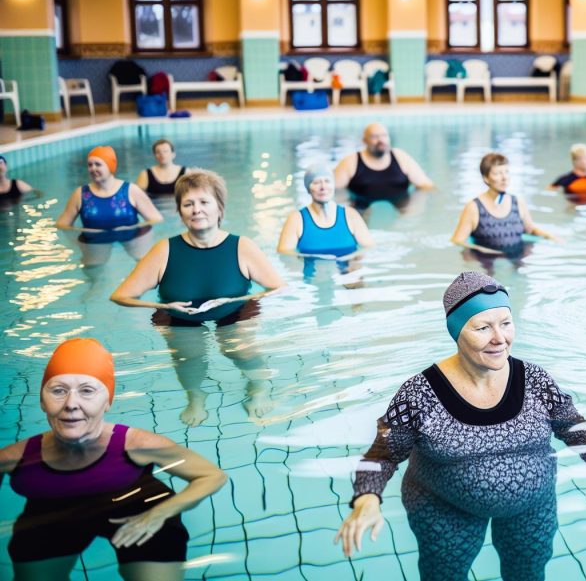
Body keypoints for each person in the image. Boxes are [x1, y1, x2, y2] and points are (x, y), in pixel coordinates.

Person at [337, 272, 586, 581]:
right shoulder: (421, 394)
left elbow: (577, 431)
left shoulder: (534, 380)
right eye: (482, 328)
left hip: (531, 505)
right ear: (456, 331)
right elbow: (382, 455)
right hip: (443, 507)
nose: (499, 339)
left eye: (506, 323)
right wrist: (368, 499)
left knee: (527, 575)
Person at [0, 338, 227, 581]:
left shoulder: (139, 445)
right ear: (42, 401)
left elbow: (212, 475)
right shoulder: (13, 458)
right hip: (53, 514)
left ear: (107, 400)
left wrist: (159, 513)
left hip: (137, 511)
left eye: (87, 391)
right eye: (58, 391)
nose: (71, 404)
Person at [110, 169, 286, 426]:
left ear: (219, 208)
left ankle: (258, 388)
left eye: (204, 202)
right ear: (180, 212)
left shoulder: (242, 246)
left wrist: (230, 301)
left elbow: (278, 287)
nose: (196, 210)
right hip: (180, 315)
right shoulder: (165, 250)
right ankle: (196, 396)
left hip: (233, 311)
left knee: (237, 348)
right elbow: (121, 296)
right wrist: (161, 305)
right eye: (188, 204)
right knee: (188, 355)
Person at [56, 146, 164, 266]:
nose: (93, 168)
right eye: (90, 165)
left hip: (132, 236)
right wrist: (85, 232)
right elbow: (62, 225)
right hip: (95, 241)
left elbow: (156, 219)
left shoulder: (130, 190)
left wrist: (129, 228)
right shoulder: (80, 194)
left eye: (98, 164)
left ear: (110, 166)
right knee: (93, 272)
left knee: (145, 265)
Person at [451, 153, 561, 257]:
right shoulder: (474, 207)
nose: (504, 178)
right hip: (487, 261)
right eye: (498, 173)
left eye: (506, 172)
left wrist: (550, 236)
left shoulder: (517, 202)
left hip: (518, 258)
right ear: (486, 178)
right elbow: (457, 241)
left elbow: (530, 229)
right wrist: (480, 250)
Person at [277, 164, 374, 278]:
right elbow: (285, 254)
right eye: (316, 182)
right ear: (308, 188)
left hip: (347, 269)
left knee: (357, 286)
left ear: (333, 185)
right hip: (313, 272)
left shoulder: (350, 215)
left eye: (327, 181)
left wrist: (351, 260)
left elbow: (369, 247)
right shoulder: (296, 219)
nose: (323, 187)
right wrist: (315, 261)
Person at [333, 123, 434, 214]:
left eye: (384, 136)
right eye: (374, 137)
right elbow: (334, 192)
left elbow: (426, 186)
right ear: (364, 140)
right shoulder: (350, 162)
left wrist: (414, 208)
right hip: (362, 209)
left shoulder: (401, 157)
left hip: (401, 207)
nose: (381, 140)